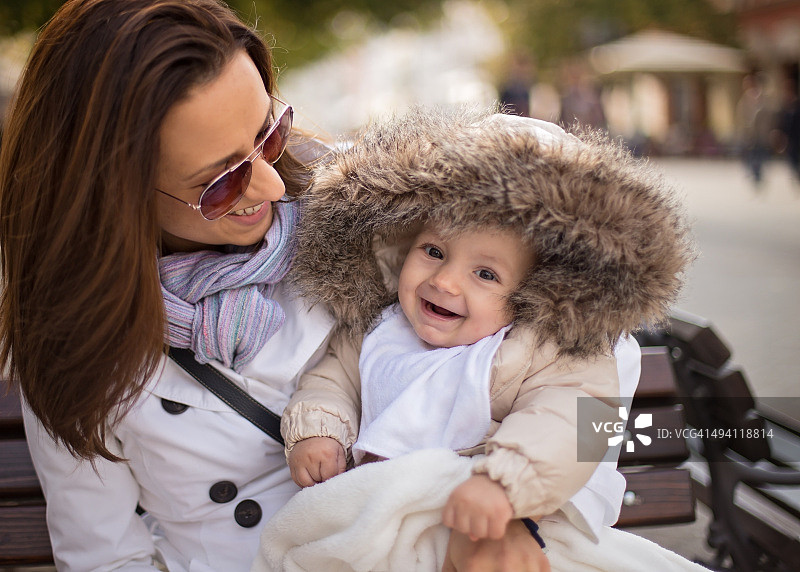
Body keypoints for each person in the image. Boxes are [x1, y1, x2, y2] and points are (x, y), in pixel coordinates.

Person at [0, 2, 550, 571]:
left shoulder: (363, 209)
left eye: (268, 133)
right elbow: (104, 560)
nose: (268, 184)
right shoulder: (73, 346)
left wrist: (522, 511)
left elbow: (600, 393)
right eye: (220, 180)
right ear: (111, 194)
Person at [251, 107, 698, 571]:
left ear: (536, 291)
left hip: (496, 518)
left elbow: (575, 420)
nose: (445, 282)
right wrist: (320, 430)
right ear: (402, 248)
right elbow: (333, 378)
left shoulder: (547, 351)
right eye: (434, 251)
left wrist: (505, 482)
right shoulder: (380, 328)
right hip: (381, 517)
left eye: (485, 273)